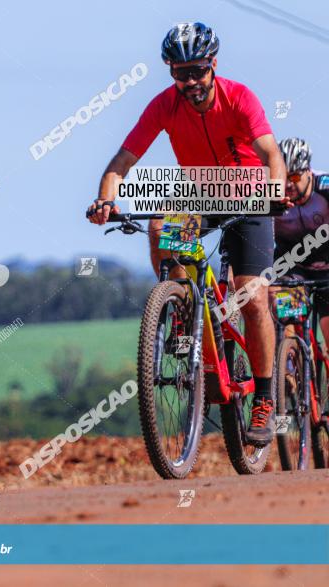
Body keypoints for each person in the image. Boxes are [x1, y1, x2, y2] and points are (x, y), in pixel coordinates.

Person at [86, 22, 288, 446]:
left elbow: (270, 151)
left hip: (250, 196)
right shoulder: (164, 105)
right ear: (169, 71)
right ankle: (180, 310)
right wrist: (105, 198)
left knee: (251, 296)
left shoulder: (239, 97)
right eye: (180, 73)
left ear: (213, 65)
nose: (191, 82)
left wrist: (276, 190)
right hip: (198, 194)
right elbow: (123, 160)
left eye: (197, 71)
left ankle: (266, 399)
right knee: (160, 226)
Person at [273, 138, 329, 343]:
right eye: (283, 176)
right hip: (293, 268)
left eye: (294, 176)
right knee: (289, 320)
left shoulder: (324, 187)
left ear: (308, 172)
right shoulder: (273, 196)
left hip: (327, 269)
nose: (288, 184)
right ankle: (289, 367)